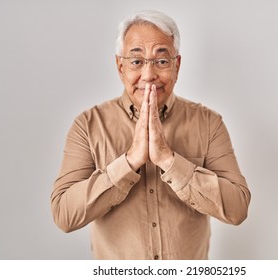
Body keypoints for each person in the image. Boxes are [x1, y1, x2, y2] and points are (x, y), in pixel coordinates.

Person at [51, 10, 250, 260]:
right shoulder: (88, 125)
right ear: (120, 66)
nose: (148, 75)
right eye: (136, 61)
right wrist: (130, 161)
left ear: (176, 66)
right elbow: (64, 215)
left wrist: (169, 160)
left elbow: (238, 208)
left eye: (161, 61)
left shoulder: (209, 123)